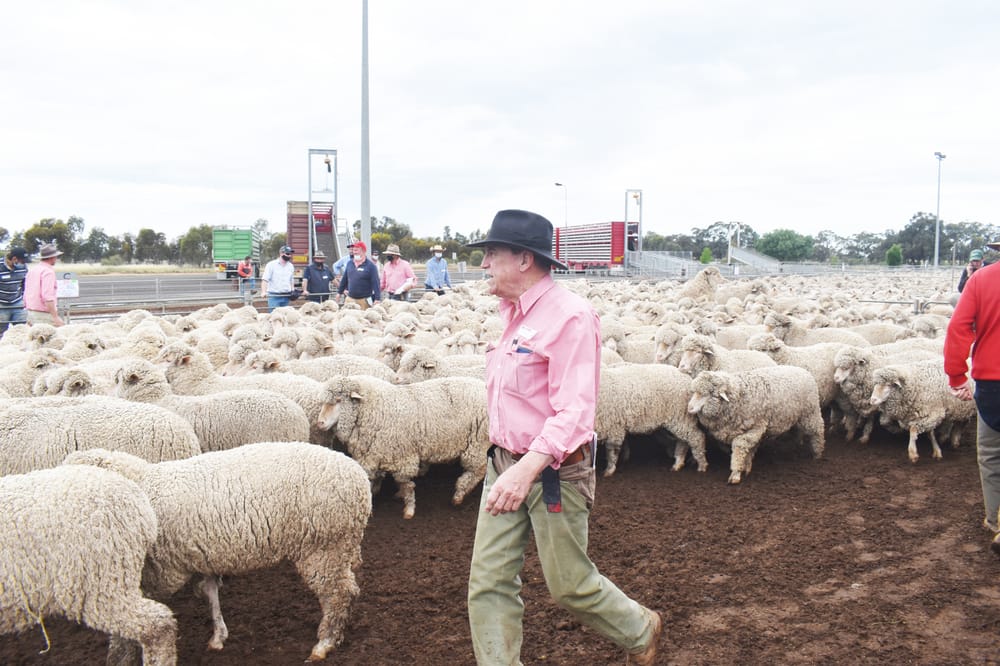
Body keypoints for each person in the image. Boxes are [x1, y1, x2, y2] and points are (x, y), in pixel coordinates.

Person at [465, 210, 662, 665]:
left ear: (523, 260)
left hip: (553, 472)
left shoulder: (571, 317)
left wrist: (526, 471)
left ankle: (639, 628)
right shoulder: (512, 316)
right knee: (488, 583)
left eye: (491, 254)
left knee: (568, 584)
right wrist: (506, 466)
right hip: (503, 464)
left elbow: (575, 411)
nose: (483, 264)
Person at [944, 238, 1000, 557]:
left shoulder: (981, 279)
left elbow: (959, 327)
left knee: (992, 455)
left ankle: (995, 520)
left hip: (992, 382)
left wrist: (956, 375)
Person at [24, 242, 65, 327]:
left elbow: (26, 292)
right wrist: (55, 317)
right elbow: (47, 296)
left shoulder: (32, 270)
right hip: (43, 314)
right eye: (56, 257)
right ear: (52, 257)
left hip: (31, 312)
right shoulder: (48, 272)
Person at [337, 241, 380, 310]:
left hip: (364, 301)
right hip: (350, 299)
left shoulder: (371, 266)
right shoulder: (349, 263)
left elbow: (375, 282)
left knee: (363, 319)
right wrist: (339, 292)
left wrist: (377, 298)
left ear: (363, 251)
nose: (354, 252)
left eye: (356, 250)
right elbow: (344, 279)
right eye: (353, 250)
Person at [0, 247, 30, 334]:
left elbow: (25, 283)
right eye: (22, 261)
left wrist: (24, 298)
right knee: (2, 331)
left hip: (17, 302)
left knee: (21, 330)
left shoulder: (23, 267)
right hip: (1, 304)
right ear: (14, 259)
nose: (23, 263)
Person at [260, 245, 297, 313]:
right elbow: (265, 279)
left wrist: (293, 290)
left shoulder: (291, 266)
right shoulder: (271, 265)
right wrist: (263, 291)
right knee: (274, 316)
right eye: (287, 253)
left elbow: (291, 279)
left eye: (290, 254)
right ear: (281, 253)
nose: (289, 256)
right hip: (274, 295)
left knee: (285, 316)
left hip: (286, 295)